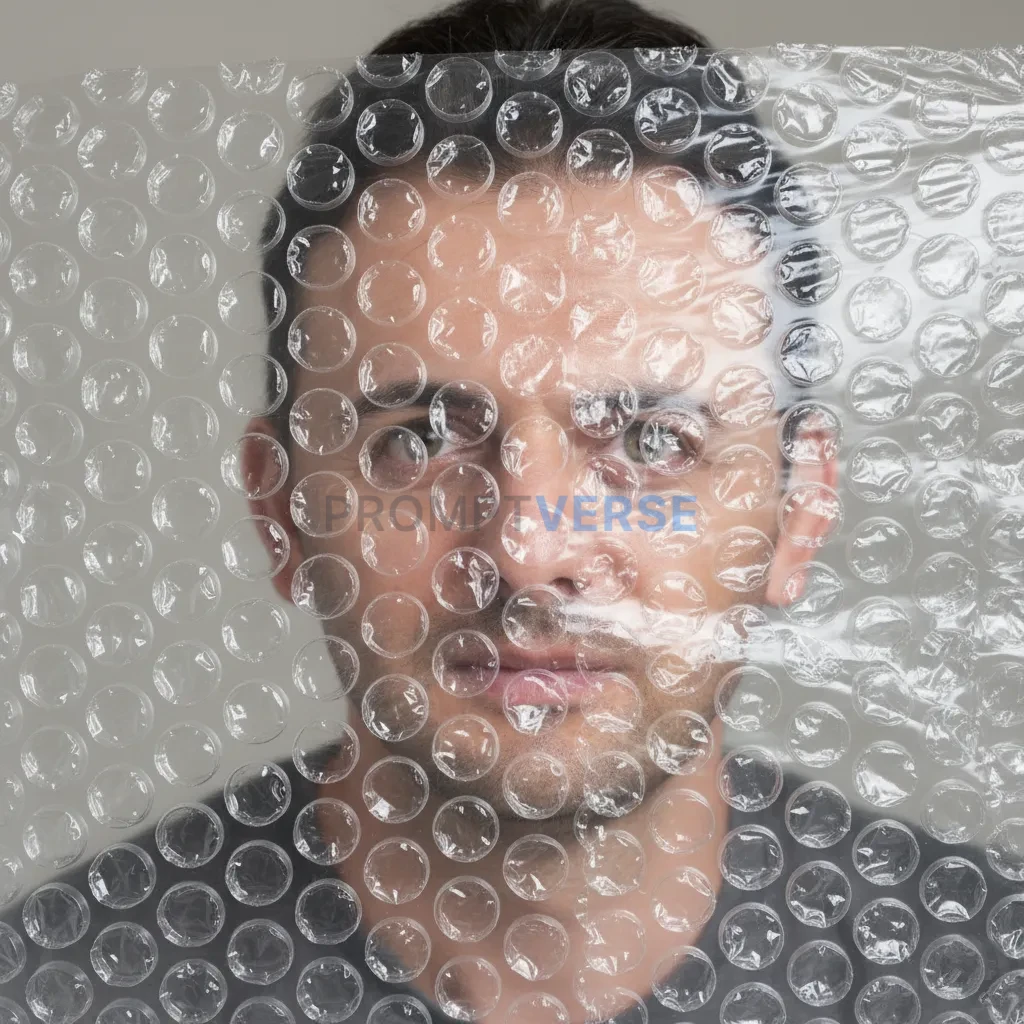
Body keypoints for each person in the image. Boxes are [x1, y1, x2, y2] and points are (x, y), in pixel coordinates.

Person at [5, 3, 1013, 1023]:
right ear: (282, 511)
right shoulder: (59, 989)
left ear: (800, 509)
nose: (528, 551)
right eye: (421, 439)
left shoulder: (982, 977)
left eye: (649, 441)